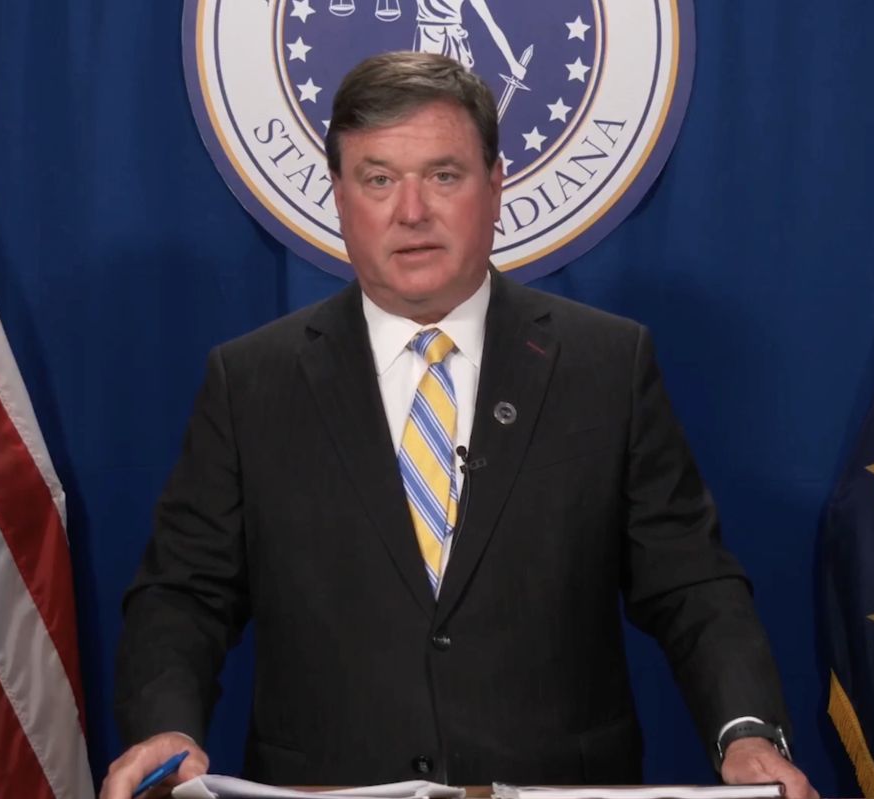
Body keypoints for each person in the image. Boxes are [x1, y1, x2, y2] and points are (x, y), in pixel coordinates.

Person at [102, 52, 818, 799]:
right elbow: (183, 594)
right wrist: (167, 725)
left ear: (497, 183)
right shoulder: (251, 381)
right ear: (339, 196)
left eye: (444, 175)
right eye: (378, 179)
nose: (411, 211)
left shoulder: (605, 365)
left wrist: (747, 731)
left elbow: (692, 584)